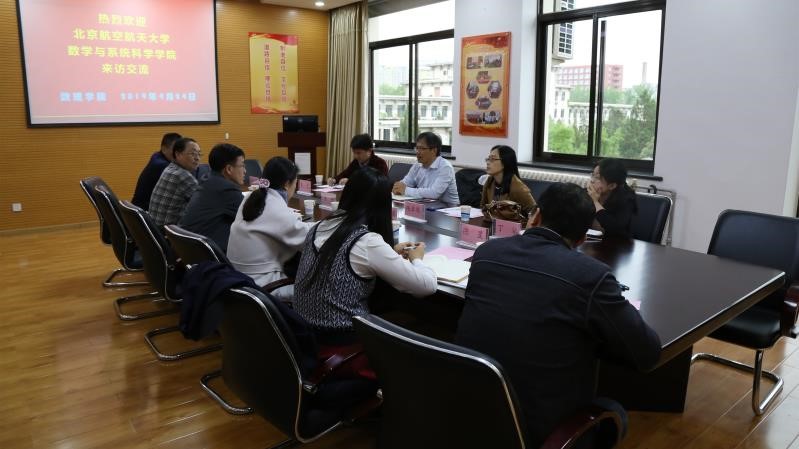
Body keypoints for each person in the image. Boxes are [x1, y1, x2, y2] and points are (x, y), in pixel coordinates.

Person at [456, 182, 660, 448]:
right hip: (536, 432)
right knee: (614, 410)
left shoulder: (486, 253)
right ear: (582, 238)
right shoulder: (590, 275)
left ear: (536, 216)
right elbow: (647, 354)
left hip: (468, 410)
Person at [294, 167, 437, 368]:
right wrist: (417, 259)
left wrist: (389, 252)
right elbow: (426, 286)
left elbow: (340, 255)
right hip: (342, 345)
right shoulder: (367, 242)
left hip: (304, 337)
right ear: (382, 205)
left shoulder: (319, 226)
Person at [227, 157, 312, 300]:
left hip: (237, 277)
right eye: (295, 183)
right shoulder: (274, 206)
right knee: (316, 287)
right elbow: (307, 238)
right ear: (287, 184)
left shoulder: (252, 198)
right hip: (261, 286)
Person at [179, 143, 246, 252]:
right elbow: (251, 217)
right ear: (229, 169)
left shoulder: (207, 178)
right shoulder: (227, 189)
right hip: (206, 253)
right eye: (242, 165)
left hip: (188, 248)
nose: (245, 171)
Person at [392, 132, 459, 207]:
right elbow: (406, 182)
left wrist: (405, 190)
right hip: (426, 204)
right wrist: (398, 187)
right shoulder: (417, 165)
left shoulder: (445, 167)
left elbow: (434, 193)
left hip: (447, 208)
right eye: (417, 148)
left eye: (422, 148)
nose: (418, 152)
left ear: (434, 150)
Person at [148, 137, 201, 227]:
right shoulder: (182, 175)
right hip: (169, 232)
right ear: (178, 154)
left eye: (199, 154)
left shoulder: (170, 168)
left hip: (156, 228)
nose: (197, 158)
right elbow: (204, 203)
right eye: (193, 153)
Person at [480, 145, 536, 221]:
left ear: (505, 162)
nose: (488, 162)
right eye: (488, 159)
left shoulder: (518, 187)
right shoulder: (490, 181)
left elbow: (534, 212)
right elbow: (483, 207)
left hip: (514, 226)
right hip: (494, 224)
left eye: (492, 159)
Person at [587, 158, 638, 238]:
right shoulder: (589, 193)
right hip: (590, 241)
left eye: (597, 178)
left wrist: (595, 202)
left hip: (617, 243)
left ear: (612, 186)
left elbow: (614, 228)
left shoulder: (626, 199)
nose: (592, 180)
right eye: (592, 175)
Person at [131, 132, 182, 210]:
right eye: (175, 150)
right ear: (164, 149)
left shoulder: (157, 156)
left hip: (142, 208)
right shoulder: (162, 165)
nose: (178, 153)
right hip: (146, 211)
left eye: (180, 150)